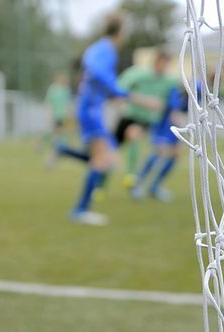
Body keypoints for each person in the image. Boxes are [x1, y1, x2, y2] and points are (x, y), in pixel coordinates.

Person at [53, 14, 159, 225]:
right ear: (120, 31)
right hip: (90, 110)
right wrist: (130, 96)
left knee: (103, 159)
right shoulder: (105, 50)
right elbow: (98, 73)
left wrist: (116, 95)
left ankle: (64, 152)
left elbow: (99, 79)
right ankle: (81, 210)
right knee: (103, 160)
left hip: (91, 108)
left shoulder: (100, 49)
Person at [114, 51, 177, 188]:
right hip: (129, 116)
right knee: (111, 150)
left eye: (167, 64)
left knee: (136, 136)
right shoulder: (139, 74)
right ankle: (102, 183)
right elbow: (120, 89)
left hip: (148, 121)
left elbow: (173, 98)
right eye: (162, 63)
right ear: (156, 62)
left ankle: (135, 176)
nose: (164, 67)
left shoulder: (169, 81)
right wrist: (142, 100)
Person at [131, 84, 188, 202]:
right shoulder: (177, 90)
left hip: (173, 125)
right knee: (159, 153)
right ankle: (137, 184)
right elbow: (173, 111)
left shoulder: (198, 91)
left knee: (175, 155)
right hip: (165, 125)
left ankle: (154, 187)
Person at [43, 73, 72, 146]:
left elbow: (67, 103)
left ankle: (59, 144)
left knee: (60, 130)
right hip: (55, 114)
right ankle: (41, 142)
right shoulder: (52, 89)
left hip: (63, 114)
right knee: (55, 130)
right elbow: (49, 102)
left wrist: (68, 112)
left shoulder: (66, 90)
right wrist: (49, 114)